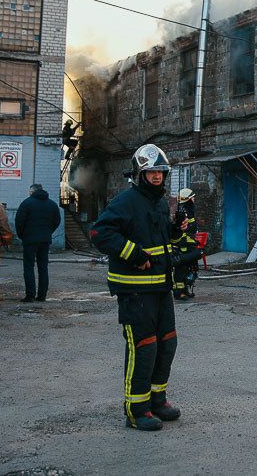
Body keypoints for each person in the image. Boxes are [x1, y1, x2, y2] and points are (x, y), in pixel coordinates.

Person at [90, 143, 181, 431]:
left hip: (160, 288)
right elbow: (100, 233)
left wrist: (175, 230)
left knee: (167, 345)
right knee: (143, 348)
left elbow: (158, 237)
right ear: (140, 174)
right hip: (135, 291)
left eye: (160, 172)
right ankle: (136, 410)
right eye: (151, 172)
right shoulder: (126, 201)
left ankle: (157, 401)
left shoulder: (158, 202)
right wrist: (133, 253)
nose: (157, 177)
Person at [15, 183, 61, 303]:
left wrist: (22, 235)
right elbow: (57, 221)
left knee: (29, 267)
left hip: (29, 240)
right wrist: (48, 232)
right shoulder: (52, 204)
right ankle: (42, 296)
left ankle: (30, 295)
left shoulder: (26, 203)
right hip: (45, 240)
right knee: (43, 268)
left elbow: (19, 221)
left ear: (32, 192)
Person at [169, 188, 205, 300]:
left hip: (188, 245)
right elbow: (181, 231)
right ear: (188, 199)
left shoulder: (189, 210)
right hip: (182, 245)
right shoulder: (182, 212)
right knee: (180, 268)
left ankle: (185, 290)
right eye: (192, 197)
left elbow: (192, 230)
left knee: (188, 268)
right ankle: (178, 292)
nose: (194, 199)